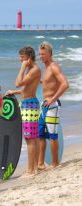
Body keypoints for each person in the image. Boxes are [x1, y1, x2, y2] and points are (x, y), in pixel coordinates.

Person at [6, 46, 41, 177]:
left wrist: (22, 68)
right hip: (29, 103)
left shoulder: (33, 70)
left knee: (30, 139)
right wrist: (14, 92)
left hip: (29, 106)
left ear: (29, 57)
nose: (20, 59)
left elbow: (18, 83)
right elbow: (26, 89)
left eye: (22, 57)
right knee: (33, 138)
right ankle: (35, 168)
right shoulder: (32, 70)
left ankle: (31, 170)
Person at [38, 41, 69, 170]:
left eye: (43, 54)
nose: (41, 56)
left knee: (52, 136)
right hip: (43, 106)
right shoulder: (46, 69)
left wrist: (52, 99)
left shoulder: (54, 67)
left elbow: (65, 84)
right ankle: (40, 164)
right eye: (40, 54)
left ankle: (55, 163)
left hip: (52, 106)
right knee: (41, 135)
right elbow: (47, 84)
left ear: (50, 54)